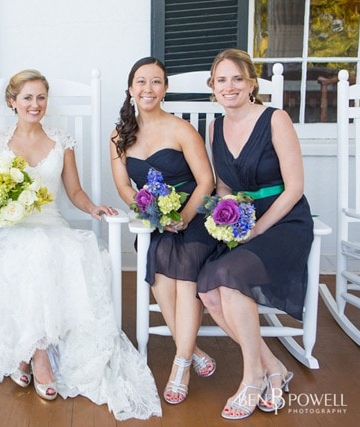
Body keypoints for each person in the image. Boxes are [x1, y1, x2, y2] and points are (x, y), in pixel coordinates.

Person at [0, 69, 161, 420]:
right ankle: (40, 356)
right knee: (36, 250)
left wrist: (93, 207)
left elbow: (74, 191)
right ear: (12, 102)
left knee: (52, 248)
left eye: (41, 98)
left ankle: (29, 353)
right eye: (27, 98)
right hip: (12, 231)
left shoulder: (62, 141)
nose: (35, 104)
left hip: (52, 225)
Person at [197, 48, 313, 420]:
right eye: (221, 80)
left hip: (283, 220)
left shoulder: (275, 119)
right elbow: (224, 187)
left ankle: (252, 378)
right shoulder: (214, 128)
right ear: (213, 86)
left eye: (237, 79)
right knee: (208, 290)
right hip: (243, 221)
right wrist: (225, 218)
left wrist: (258, 228)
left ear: (251, 84)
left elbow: (294, 187)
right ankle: (273, 367)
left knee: (230, 278)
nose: (228, 86)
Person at [110, 57, 219, 405]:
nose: (148, 88)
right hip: (155, 219)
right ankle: (193, 351)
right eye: (141, 81)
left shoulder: (181, 130)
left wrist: (183, 217)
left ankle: (180, 364)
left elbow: (206, 181)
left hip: (195, 214)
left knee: (185, 269)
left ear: (165, 88)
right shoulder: (119, 136)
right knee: (157, 265)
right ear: (131, 89)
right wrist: (152, 212)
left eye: (156, 81)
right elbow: (124, 188)